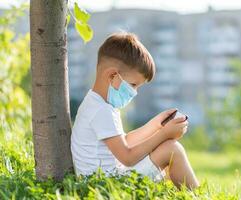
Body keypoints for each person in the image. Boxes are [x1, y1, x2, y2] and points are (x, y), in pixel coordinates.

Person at [71, 32, 199, 189]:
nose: (135, 92)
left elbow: (123, 142)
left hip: (104, 181)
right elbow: (127, 157)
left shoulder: (97, 104)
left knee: (166, 155)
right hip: (107, 187)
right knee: (172, 150)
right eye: (133, 85)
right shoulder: (101, 111)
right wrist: (164, 134)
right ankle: (197, 195)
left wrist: (155, 126)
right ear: (112, 75)